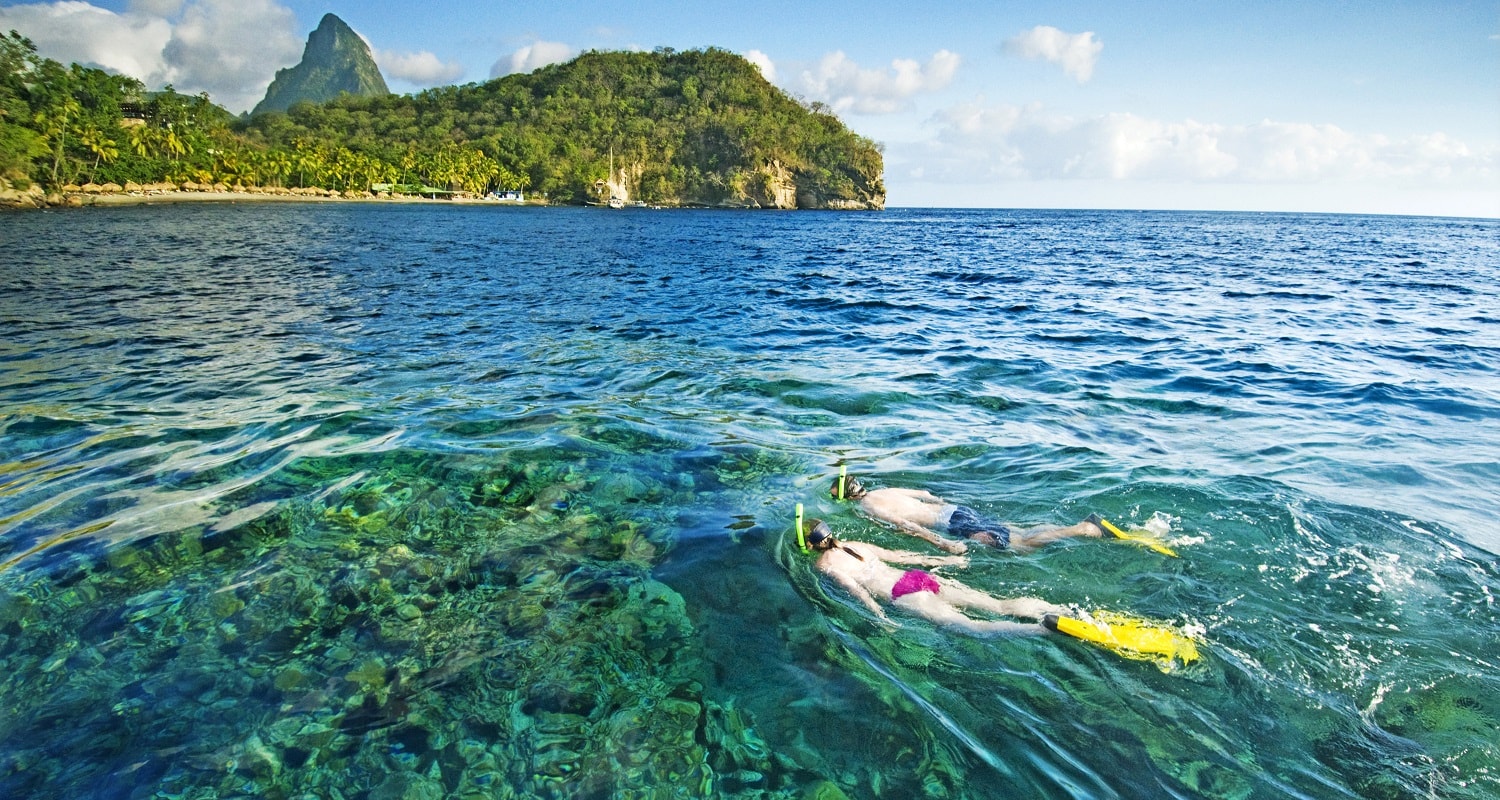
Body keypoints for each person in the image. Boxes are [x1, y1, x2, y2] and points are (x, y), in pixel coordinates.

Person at [802, 518, 1063, 636]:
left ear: (810, 545)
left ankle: (1040, 630)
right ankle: (1057, 609)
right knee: (998, 605)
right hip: (916, 577)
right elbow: (901, 556)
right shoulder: (856, 544)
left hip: (903, 595)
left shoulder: (825, 565)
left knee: (972, 627)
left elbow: (856, 591)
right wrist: (945, 559)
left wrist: (879, 617)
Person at [830, 473, 1111, 555]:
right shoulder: (885, 490)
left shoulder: (868, 507)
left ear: (846, 497)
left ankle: (1083, 530)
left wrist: (942, 543)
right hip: (956, 510)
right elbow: (926, 495)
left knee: (1019, 547)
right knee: (1016, 532)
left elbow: (906, 525)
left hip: (950, 524)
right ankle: (1073, 528)